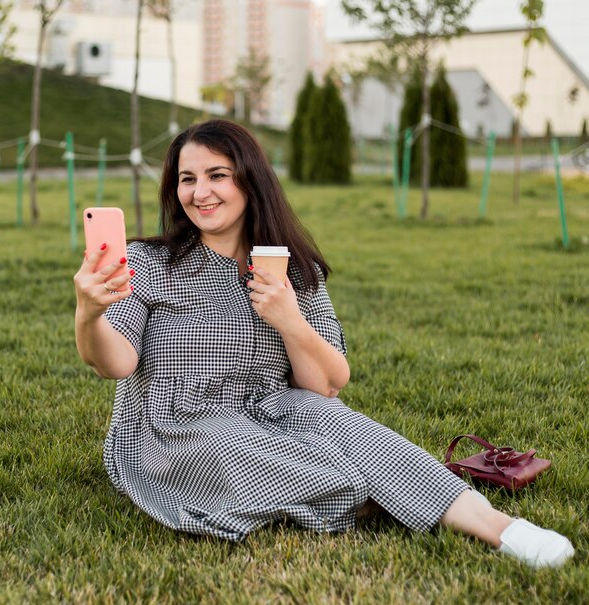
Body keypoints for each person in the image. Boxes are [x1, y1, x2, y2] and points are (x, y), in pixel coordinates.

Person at [74, 119, 574, 569]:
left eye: (217, 175)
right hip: (175, 428)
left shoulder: (294, 271)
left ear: (250, 180)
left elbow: (326, 385)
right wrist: (90, 311)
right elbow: (113, 363)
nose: (200, 192)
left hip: (274, 408)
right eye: (188, 178)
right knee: (239, 452)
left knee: (350, 428)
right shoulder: (149, 263)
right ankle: (392, 488)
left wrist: (289, 318)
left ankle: (504, 530)